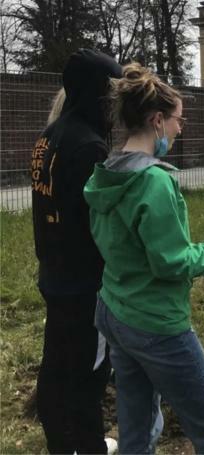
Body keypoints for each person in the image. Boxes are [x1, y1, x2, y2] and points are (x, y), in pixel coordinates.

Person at [84, 62, 204, 454]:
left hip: (115, 312)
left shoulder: (105, 174)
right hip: (157, 325)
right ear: (156, 120)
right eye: (176, 121)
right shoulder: (154, 182)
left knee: (136, 428)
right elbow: (170, 263)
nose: (179, 129)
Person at [31, 48, 121, 455]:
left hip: (53, 272)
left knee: (56, 366)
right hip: (85, 283)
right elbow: (98, 224)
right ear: (96, 94)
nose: (116, 106)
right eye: (112, 94)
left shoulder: (48, 136)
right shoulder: (90, 148)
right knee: (89, 375)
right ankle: (88, 447)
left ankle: (58, 442)